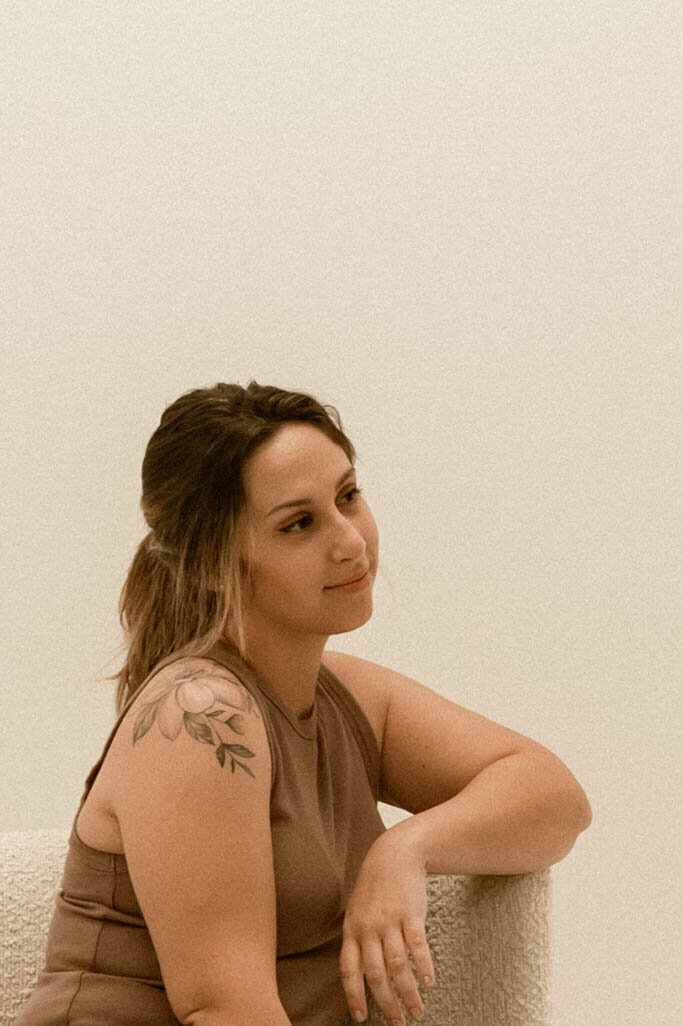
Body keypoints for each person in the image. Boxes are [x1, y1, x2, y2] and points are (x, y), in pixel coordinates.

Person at [14, 380, 592, 1026]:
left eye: (348, 495)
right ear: (210, 563)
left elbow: (554, 801)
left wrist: (406, 849)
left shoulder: (345, 695)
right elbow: (228, 1012)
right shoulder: (197, 716)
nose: (349, 541)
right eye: (298, 524)